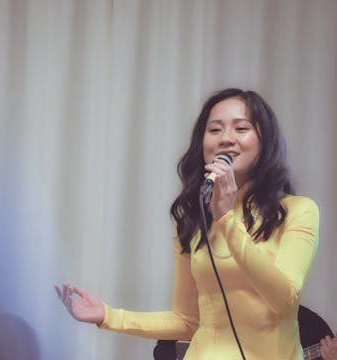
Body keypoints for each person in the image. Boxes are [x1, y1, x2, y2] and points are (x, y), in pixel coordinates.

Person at [55, 88, 319, 359]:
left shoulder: (297, 211)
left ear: (265, 141)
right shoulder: (195, 221)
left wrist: (227, 220)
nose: (226, 139)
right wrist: (109, 315)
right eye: (215, 130)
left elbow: (284, 301)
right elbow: (187, 320)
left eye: (241, 128)